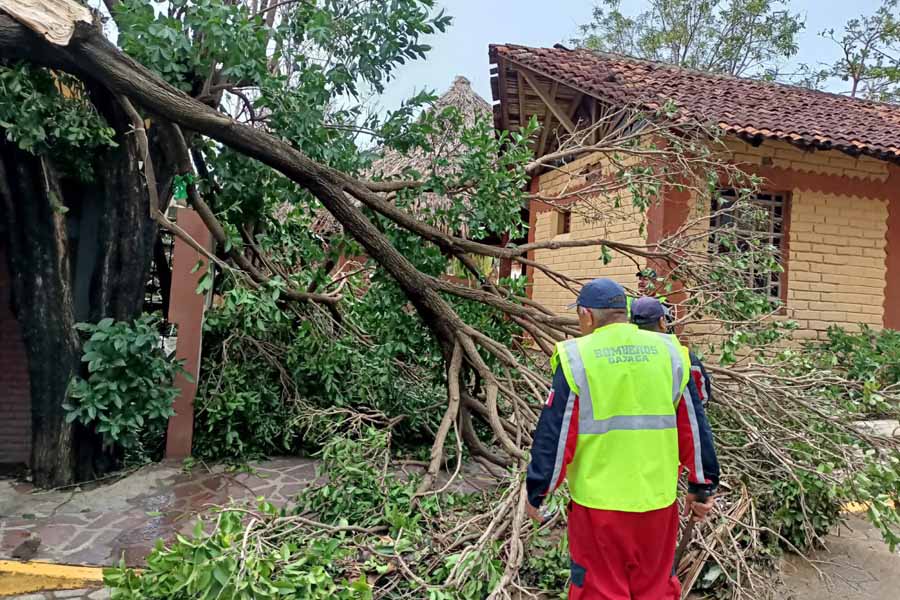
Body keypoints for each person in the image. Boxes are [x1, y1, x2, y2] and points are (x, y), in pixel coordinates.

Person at [525, 279, 718, 600]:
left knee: (599, 590)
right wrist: (701, 486)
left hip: (598, 508)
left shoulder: (578, 358)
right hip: (657, 504)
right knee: (654, 589)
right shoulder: (670, 353)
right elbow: (695, 427)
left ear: (586, 315)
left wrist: (538, 489)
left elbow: (557, 433)